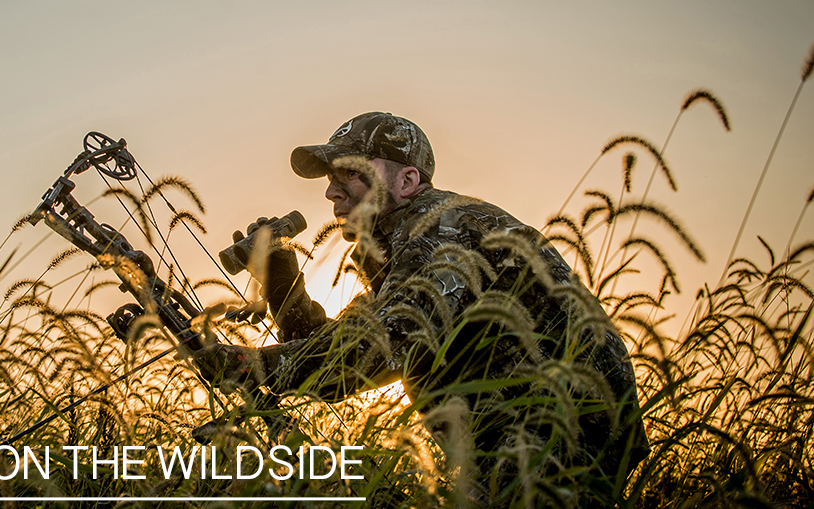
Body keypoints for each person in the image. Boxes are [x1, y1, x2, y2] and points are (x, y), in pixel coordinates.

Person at [196, 112, 649, 483]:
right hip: (522, 439)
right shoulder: (401, 244)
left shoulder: (442, 228)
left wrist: (251, 365)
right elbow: (339, 355)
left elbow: (377, 350)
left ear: (407, 181)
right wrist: (280, 270)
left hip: (561, 438)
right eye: (330, 179)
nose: (332, 190)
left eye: (351, 172)